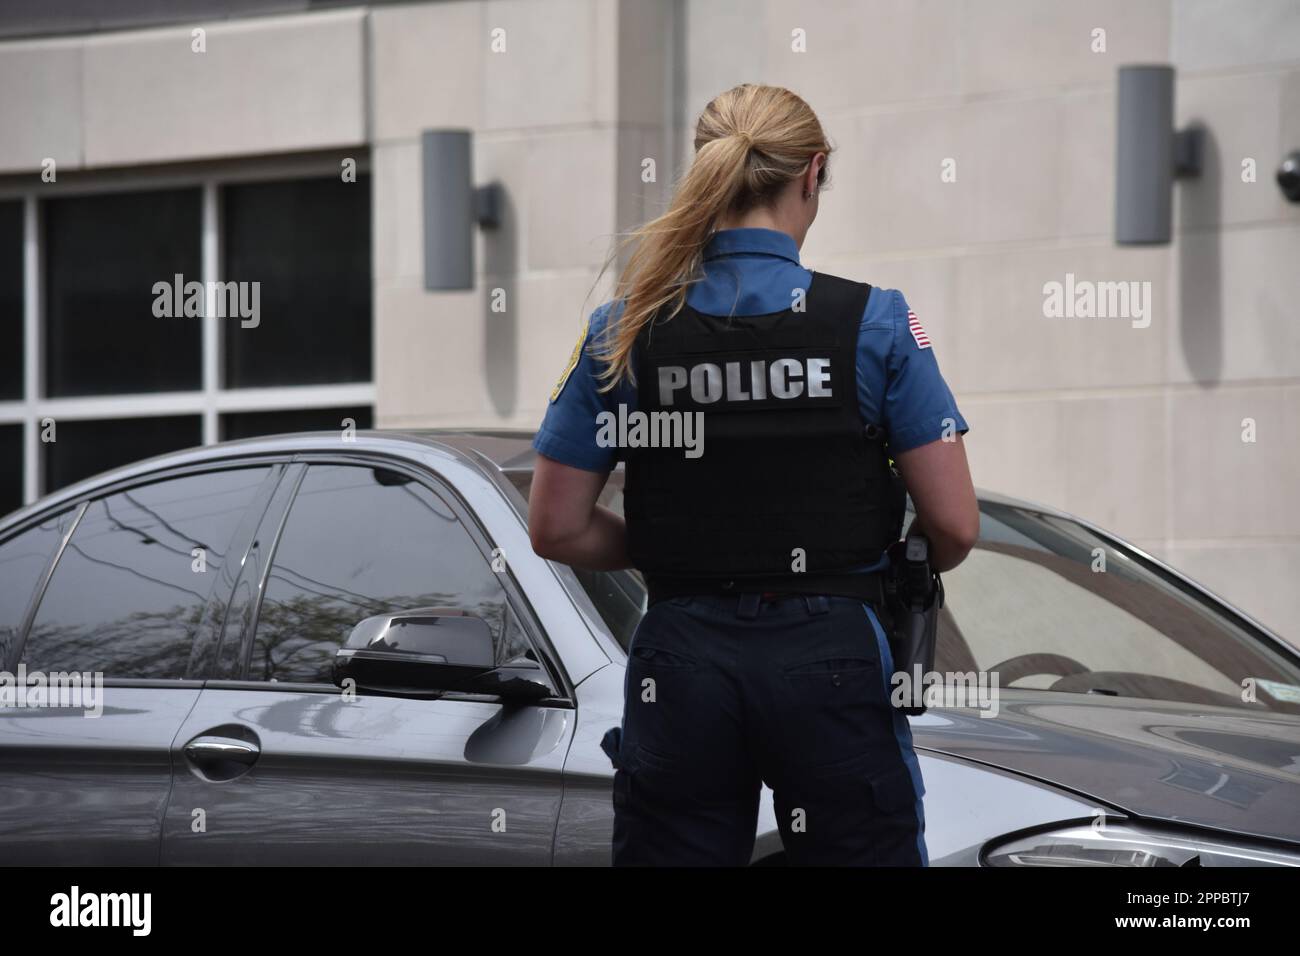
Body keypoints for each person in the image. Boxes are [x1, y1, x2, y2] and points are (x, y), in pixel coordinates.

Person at [528, 83, 978, 866]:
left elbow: (556, 525)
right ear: (813, 171)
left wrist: (681, 545)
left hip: (681, 660)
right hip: (833, 654)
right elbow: (956, 525)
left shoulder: (626, 328)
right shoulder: (875, 321)